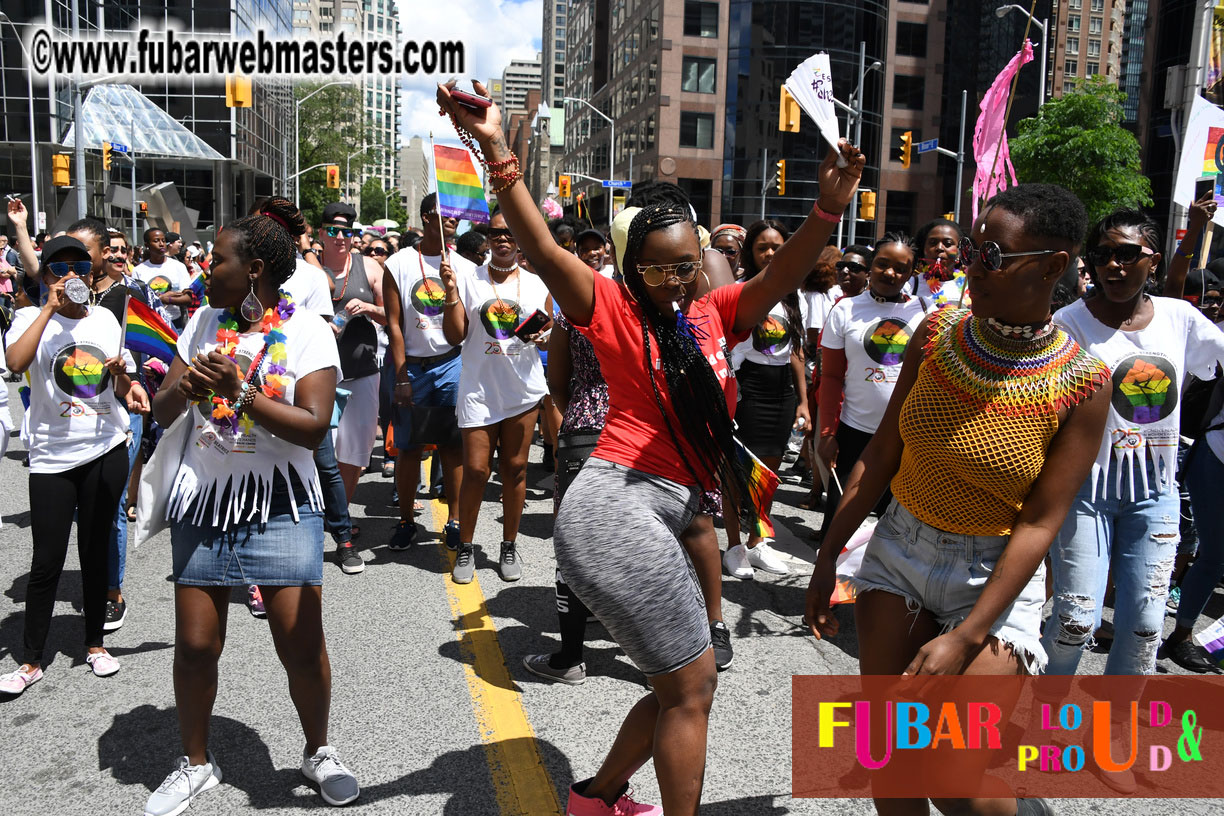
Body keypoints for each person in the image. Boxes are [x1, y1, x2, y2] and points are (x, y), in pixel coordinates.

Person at [439, 78, 863, 816]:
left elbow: (785, 269)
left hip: (660, 512)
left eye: (688, 262)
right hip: (614, 511)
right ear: (634, 267)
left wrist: (828, 206)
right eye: (662, 266)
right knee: (693, 687)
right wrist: (496, 146)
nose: (679, 276)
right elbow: (538, 244)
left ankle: (598, 796)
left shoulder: (716, 311)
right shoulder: (607, 307)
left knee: (681, 685)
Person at [805, 184, 1110, 816]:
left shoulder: (1082, 383)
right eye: (973, 248)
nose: (971, 264)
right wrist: (827, 557)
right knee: (892, 759)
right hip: (899, 555)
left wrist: (969, 635)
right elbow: (882, 455)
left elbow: (1041, 520)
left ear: (1053, 266)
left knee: (956, 779)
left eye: (993, 254)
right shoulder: (937, 333)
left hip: (993, 579)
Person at [145, 198, 359, 814]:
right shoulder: (202, 323)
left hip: (281, 502)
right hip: (206, 497)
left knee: (298, 641)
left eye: (216, 259)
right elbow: (161, 410)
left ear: (256, 268)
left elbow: (315, 426)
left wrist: (239, 394)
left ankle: (317, 751)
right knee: (195, 645)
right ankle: (195, 764)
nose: (204, 270)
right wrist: (184, 389)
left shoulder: (309, 330)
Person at [1041, 210, 1224, 684]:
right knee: (1074, 622)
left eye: (1127, 254)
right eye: (1103, 255)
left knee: (1143, 628)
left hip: (1156, 497)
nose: (1113, 265)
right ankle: (1044, 717)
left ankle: (1116, 730)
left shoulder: (1181, 318)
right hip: (1085, 495)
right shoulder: (1068, 323)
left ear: (1153, 261)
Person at [0, 235, 150, 696]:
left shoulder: (106, 318)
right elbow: (14, 362)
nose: (73, 276)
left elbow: (115, 383)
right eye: (60, 268)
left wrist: (129, 384)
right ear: (45, 275)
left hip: (104, 446)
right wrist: (49, 308)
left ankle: (94, 645)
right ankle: (30, 660)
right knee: (47, 559)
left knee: (94, 547)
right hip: (51, 455)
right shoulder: (29, 317)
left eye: (81, 268)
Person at [439, 212, 550, 582]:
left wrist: (544, 336)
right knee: (476, 470)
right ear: (488, 238)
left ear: (519, 240)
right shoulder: (468, 279)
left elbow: (547, 328)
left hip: (522, 389)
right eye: (496, 233)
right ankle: (466, 547)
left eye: (510, 233)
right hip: (479, 390)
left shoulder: (537, 283)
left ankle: (508, 545)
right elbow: (456, 336)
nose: (503, 239)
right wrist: (451, 296)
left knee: (515, 469)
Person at [814, 234, 928, 543]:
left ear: (911, 273)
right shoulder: (845, 310)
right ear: (871, 265)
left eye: (901, 269)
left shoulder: (926, 313)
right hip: (854, 435)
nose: (891, 273)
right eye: (883, 264)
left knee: (893, 533)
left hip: (905, 437)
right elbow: (833, 377)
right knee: (840, 530)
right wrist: (827, 433)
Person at [382, 193, 475, 551]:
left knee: (452, 448)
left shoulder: (464, 266)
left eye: (454, 215)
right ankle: (406, 521)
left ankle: (454, 520)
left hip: (451, 364)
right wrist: (402, 375)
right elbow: (394, 324)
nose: (450, 220)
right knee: (409, 448)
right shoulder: (399, 263)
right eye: (442, 214)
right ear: (425, 217)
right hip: (412, 369)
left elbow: (464, 327)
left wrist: (452, 288)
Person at [81, 220, 157, 632]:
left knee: (109, 505)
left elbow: (160, 339)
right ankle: (95, 579)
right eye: (107, 250)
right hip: (78, 405)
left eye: (121, 250)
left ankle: (112, 592)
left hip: (125, 400)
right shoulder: (69, 295)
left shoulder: (134, 292)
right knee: (84, 506)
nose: (115, 256)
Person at [722, 219, 808, 579]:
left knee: (768, 475)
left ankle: (758, 542)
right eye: (763, 247)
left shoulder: (793, 294)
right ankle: (733, 546)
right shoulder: (741, 291)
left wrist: (803, 401)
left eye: (777, 246)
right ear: (751, 253)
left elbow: (796, 352)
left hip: (781, 391)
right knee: (737, 472)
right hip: (747, 387)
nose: (771, 253)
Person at [319, 202, 386, 514]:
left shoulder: (370, 268)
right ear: (321, 232)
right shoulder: (308, 268)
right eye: (334, 230)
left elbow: (393, 316)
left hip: (361, 372)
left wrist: (370, 308)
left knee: (353, 451)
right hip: (317, 374)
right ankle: (316, 513)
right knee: (319, 450)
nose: (341, 237)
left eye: (347, 231)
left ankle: (340, 517)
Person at [133, 228, 193, 329]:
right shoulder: (138, 270)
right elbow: (136, 301)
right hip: (151, 324)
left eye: (163, 240)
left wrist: (168, 299)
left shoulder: (178, 266)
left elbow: (188, 298)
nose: (161, 244)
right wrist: (159, 298)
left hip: (175, 324)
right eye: (156, 241)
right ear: (147, 245)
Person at [908, 217, 967, 307]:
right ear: (923, 249)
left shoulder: (970, 286)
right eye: (932, 243)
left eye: (947, 244)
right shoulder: (910, 286)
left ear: (959, 251)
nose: (939, 248)